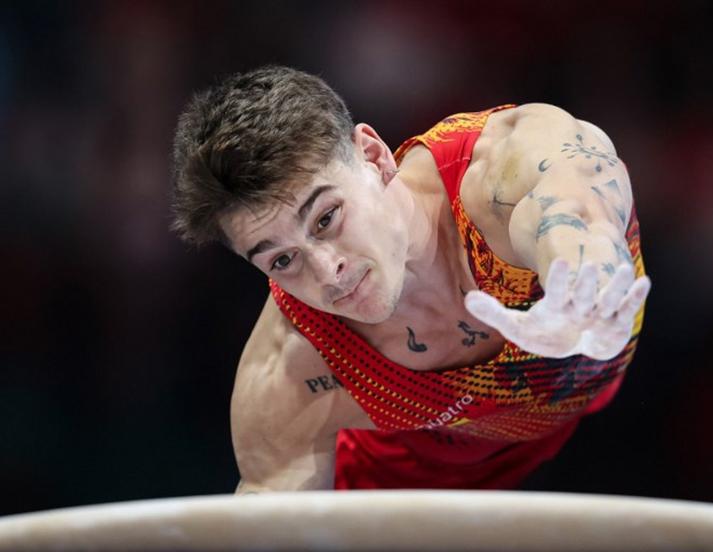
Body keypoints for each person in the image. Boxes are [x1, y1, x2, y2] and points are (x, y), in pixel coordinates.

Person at [170, 65, 651, 492]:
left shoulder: (501, 177)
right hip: (394, 504)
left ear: (374, 156)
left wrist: (586, 283)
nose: (327, 271)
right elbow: (269, 531)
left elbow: (573, 211)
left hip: (590, 443)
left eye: (325, 218)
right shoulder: (295, 369)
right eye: (281, 261)